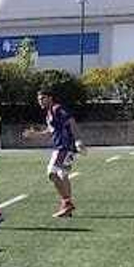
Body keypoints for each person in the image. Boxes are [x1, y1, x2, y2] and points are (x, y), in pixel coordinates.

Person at [35, 90, 81, 219]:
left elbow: (71, 121)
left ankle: (67, 203)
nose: (40, 101)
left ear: (50, 98)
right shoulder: (49, 114)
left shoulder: (57, 109)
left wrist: (78, 140)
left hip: (63, 148)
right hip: (65, 148)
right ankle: (67, 208)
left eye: (43, 98)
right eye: (39, 99)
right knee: (63, 175)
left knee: (51, 173)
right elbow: (50, 131)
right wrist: (35, 134)